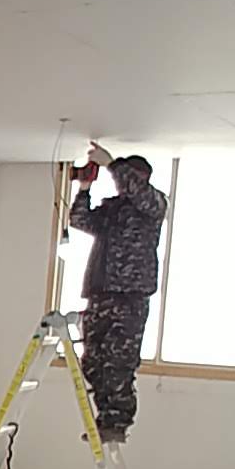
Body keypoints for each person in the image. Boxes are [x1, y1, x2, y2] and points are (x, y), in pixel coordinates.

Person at [66, 147, 168, 442]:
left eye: (129, 177)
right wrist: (85, 188)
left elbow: (137, 191)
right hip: (101, 294)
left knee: (118, 364)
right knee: (93, 362)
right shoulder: (114, 209)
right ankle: (105, 419)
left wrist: (111, 163)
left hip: (130, 296)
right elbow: (80, 220)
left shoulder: (153, 205)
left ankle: (117, 422)